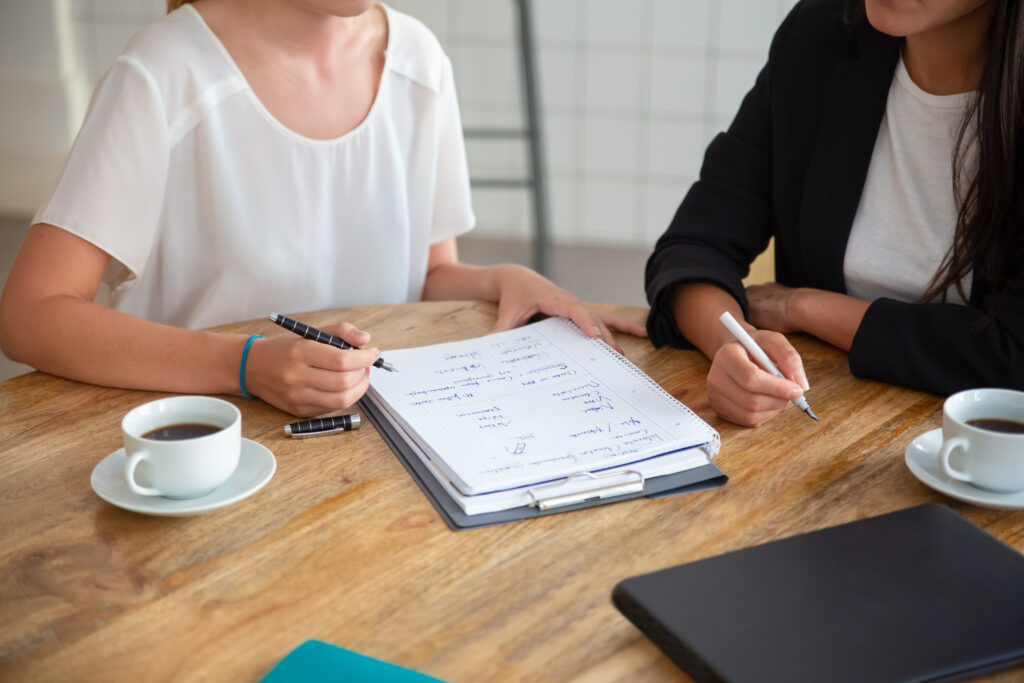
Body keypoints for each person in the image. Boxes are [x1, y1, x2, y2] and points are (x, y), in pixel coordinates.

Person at [0, 0, 645, 417]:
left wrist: (504, 279)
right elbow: (31, 316)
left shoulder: (418, 61)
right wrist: (244, 364)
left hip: (369, 453)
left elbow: (421, 277)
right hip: (203, 450)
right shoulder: (164, 73)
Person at [645, 0, 1024, 427]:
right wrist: (735, 346)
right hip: (819, 425)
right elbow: (695, 245)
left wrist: (801, 306)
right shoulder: (822, 33)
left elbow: (1013, 354)